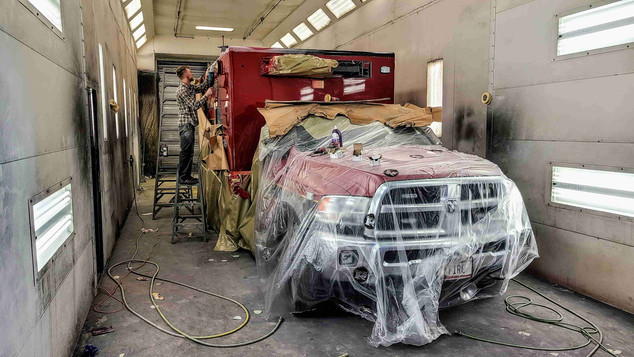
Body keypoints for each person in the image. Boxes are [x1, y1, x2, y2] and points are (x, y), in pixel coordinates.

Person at [175, 64, 215, 185]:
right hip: (186, 125)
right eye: (190, 72)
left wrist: (208, 75)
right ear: (186, 75)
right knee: (186, 151)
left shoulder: (188, 87)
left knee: (189, 151)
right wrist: (207, 95)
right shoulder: (182, 90)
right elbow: (195, 105)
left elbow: (202, 86)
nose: (192, 74)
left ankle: (185, 176)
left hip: (189, 125)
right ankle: (183, 177)